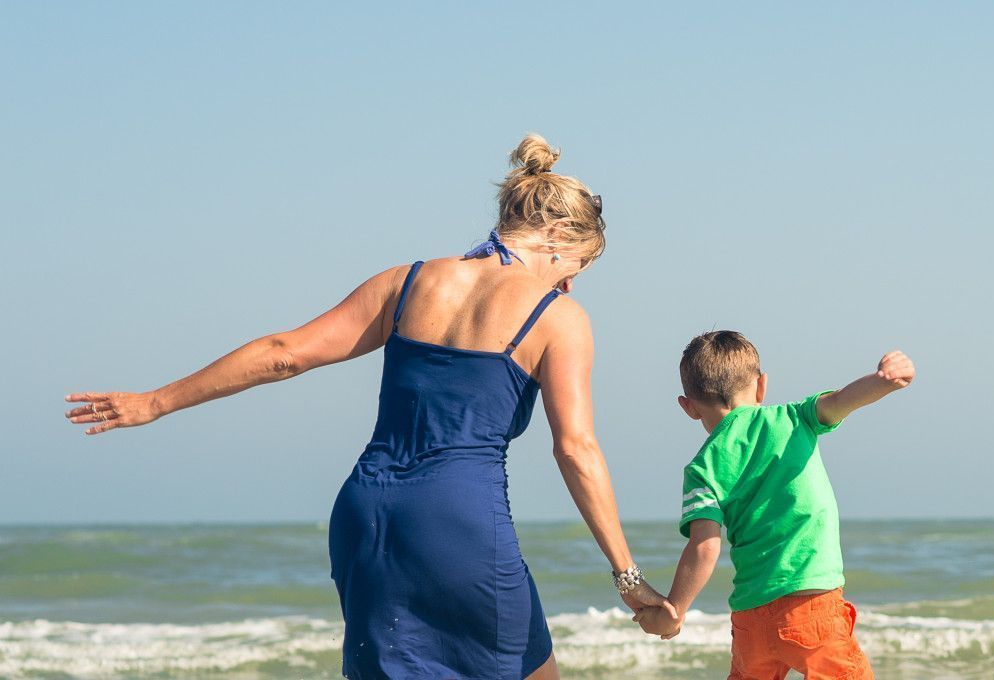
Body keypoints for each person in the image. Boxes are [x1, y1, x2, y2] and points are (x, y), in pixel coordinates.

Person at [63, 134, 673, 679]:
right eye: (576, 268)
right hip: (457, 521)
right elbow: (576, 447)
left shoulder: (405, 282)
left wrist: (156, 401)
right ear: (559, 239)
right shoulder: (559, 317)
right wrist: (626, 575)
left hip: (366, 512)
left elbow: (284, 353)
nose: (569, 285)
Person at [635, 330, 915, 680]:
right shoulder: (795, 418)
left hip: (751, 620)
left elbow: (704, 547)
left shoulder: (701, 469)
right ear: (762, 385)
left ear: (688, 407)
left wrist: (675, 608)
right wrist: (883, 381)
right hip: (811, 607)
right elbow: (843, 400)